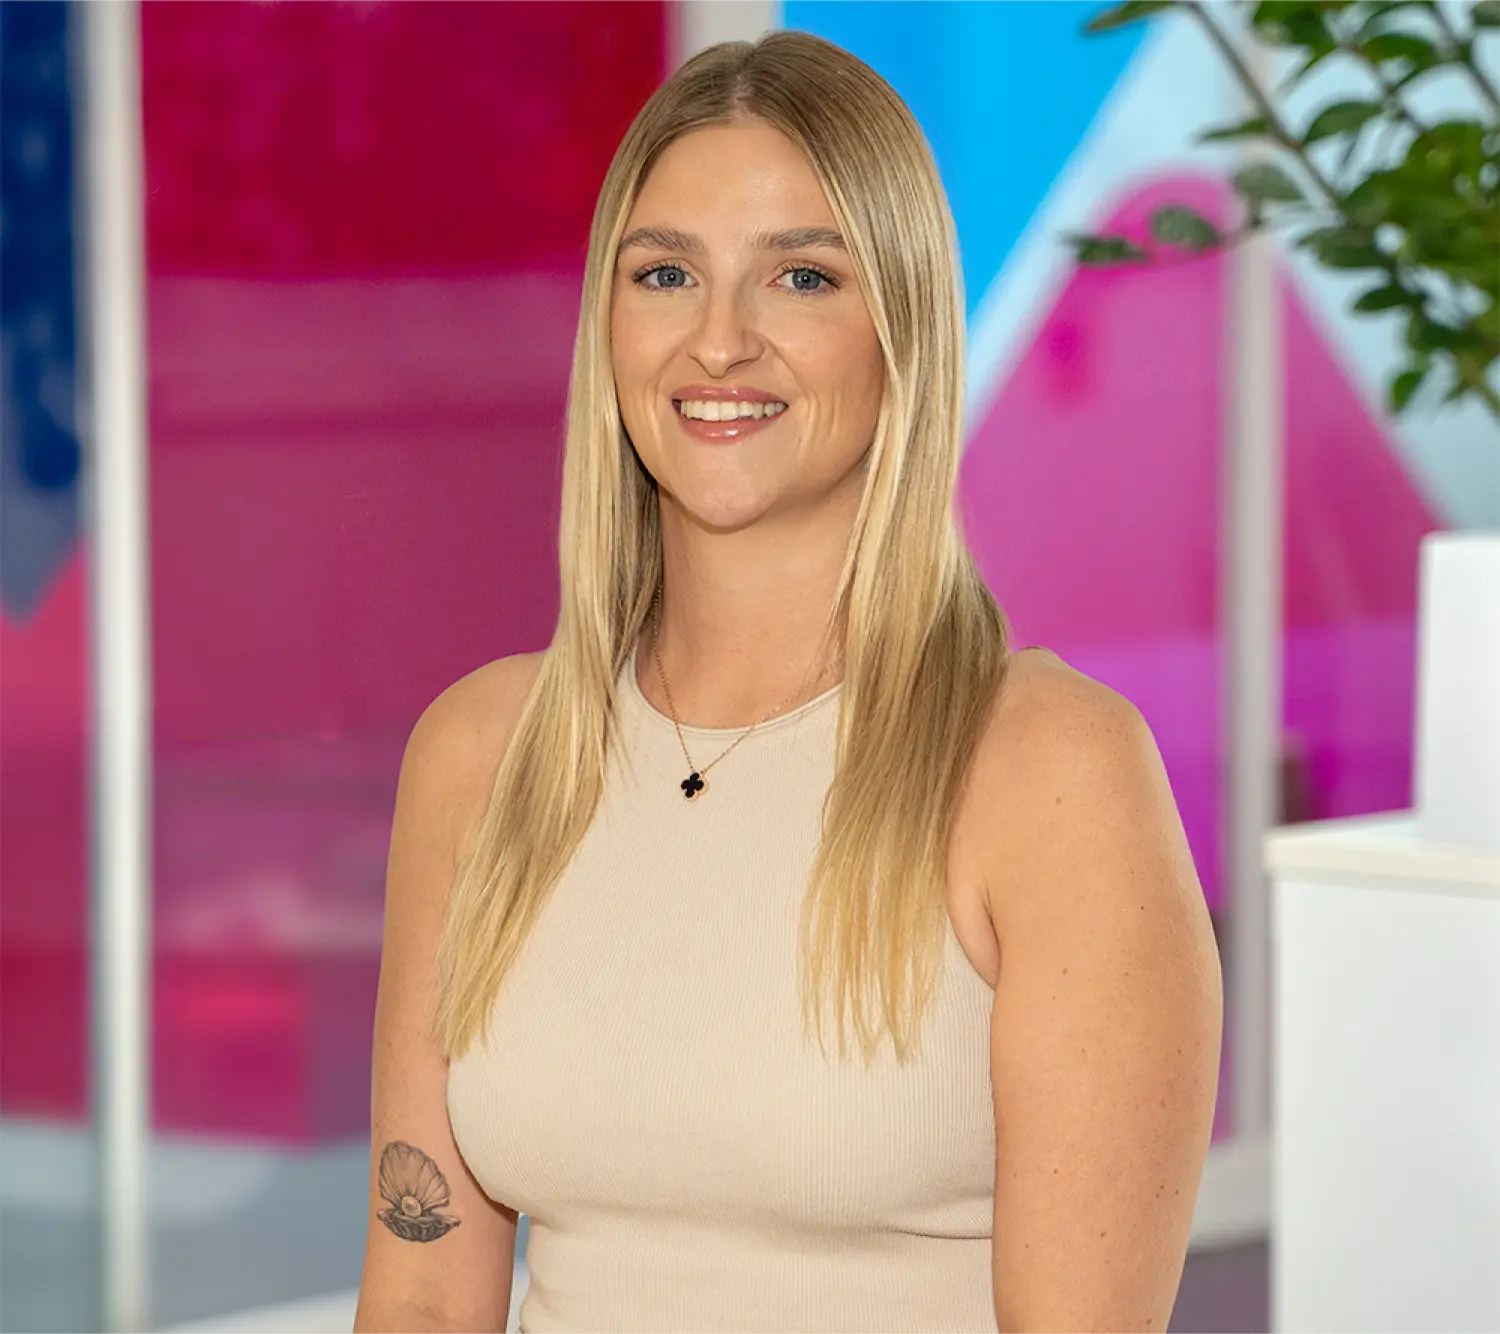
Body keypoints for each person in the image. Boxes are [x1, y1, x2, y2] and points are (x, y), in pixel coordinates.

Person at [352, 30, 1222, 1334]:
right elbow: (421, 1296)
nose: (719, 343)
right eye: (666, 275)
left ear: (902, 327)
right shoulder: (482, 753)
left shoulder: (1050, 769)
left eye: (801, 276)